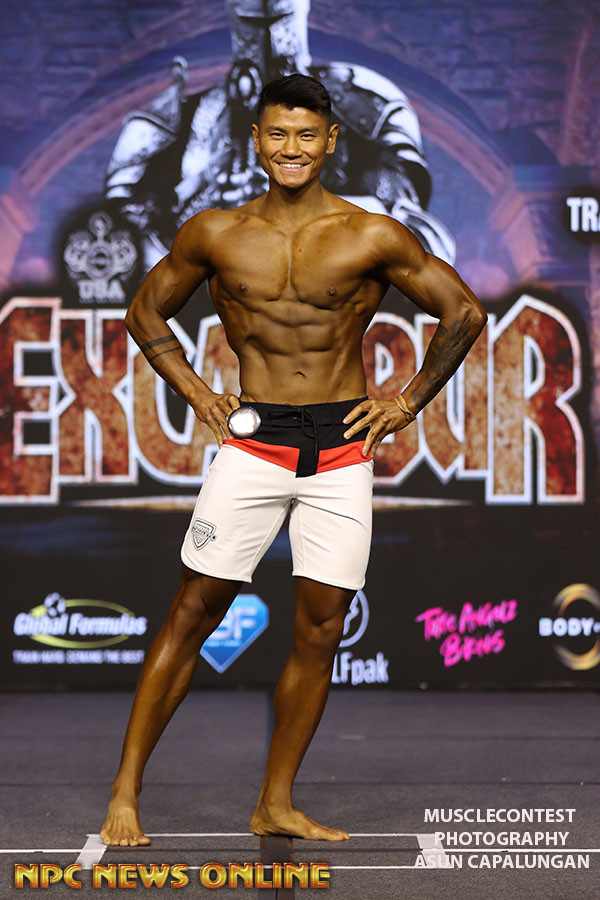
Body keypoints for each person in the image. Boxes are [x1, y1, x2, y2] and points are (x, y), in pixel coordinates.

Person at [99, 73, 486, 847]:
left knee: (321, 627)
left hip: (341, 448)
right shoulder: (217, 232)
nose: (292, 148)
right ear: (256, 140)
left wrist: (407, 402)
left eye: (306, 135)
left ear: (330, 141)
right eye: (278, 133)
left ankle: (275, 802)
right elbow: (145, 310)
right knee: (193, 610)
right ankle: (125, 790)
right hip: (254, 442)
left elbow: (463, 312)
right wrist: (197, 393)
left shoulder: (370, 234)